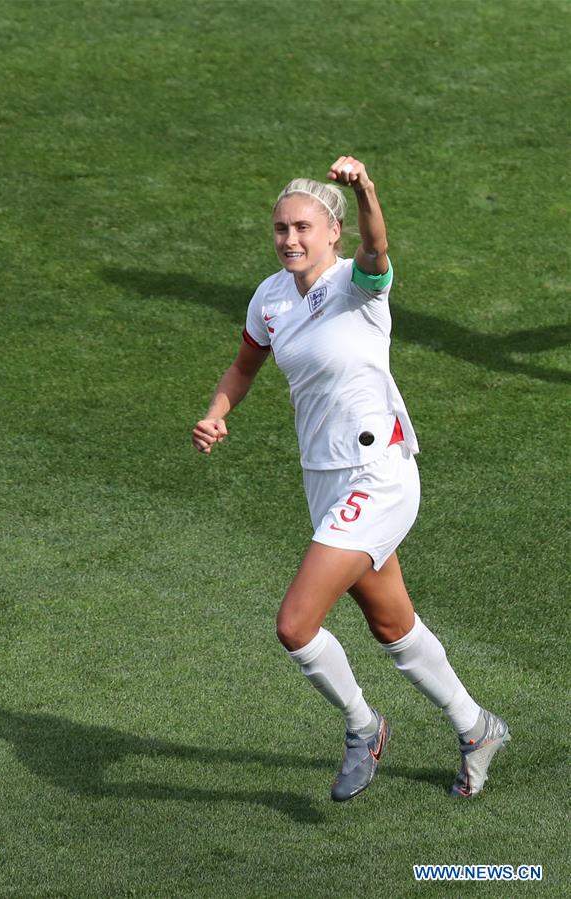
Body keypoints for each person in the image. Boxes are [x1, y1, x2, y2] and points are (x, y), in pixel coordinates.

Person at [192, 155, 510, 802]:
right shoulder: (270, 297)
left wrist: (364, 187)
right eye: (280, 228)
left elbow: (377, 246)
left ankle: (363, 727)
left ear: (331, 232)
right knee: (391, 624)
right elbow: (244, 366)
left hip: (379, 473)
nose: (290, 239)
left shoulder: (358, 285)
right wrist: (216, 412)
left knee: (295, 623)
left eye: (303, 227)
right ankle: (476, 727)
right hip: (324, 478)